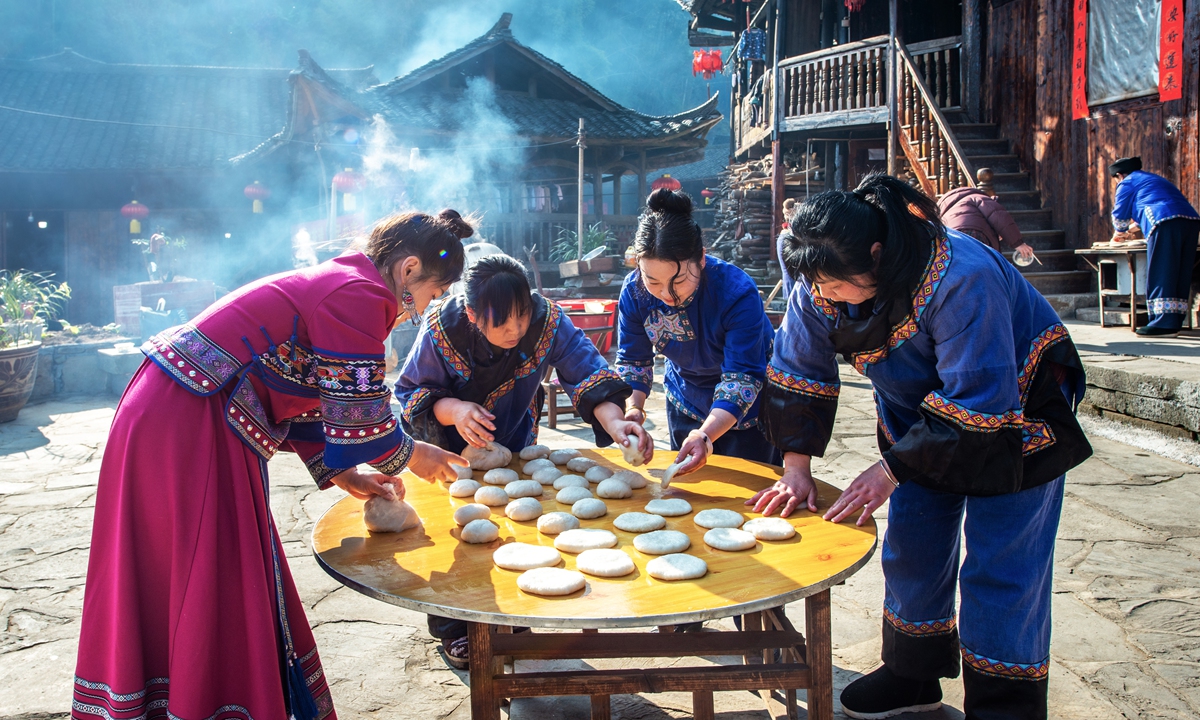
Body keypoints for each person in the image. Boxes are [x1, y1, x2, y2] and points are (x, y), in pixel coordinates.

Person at [72, 210, 472, 720]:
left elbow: (308, 390)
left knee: (188, 571)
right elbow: (361, 412)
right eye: (429, 295)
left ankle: (182, 699)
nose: (421, 309)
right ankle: (203, 702)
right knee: (213, 569)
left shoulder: (343, 282)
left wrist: (342, 471)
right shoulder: (360, 293)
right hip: (191, 421)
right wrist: (416, 454)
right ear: (408, 269)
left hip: (174, 409)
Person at [751, 175, 1092, 720]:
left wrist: (888, 470)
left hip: (1016, 412)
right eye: (818, 287)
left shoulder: (962, 275)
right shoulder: (820, 277)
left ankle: (1004, 704)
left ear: (878, 254)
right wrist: (795, 467)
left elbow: (980, 397)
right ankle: (912, 673)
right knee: (913, 544)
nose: (825, 298)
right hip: (917, 422)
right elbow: (798, 368)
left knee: (1002, 563)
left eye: (837, 287)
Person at [394, 253, 650, 668]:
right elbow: (411, 394)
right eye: (503, 321)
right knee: (457, 536)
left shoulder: (548, 320)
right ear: (474, 314)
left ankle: (510, 616)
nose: (516, 328)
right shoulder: (443, 324)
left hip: (513, 443)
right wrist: (456, 410)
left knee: (515, 528)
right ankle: (456, 628)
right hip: (446, 452)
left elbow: (585, 373)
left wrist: (619, 425)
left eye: (522, 314)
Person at [617, 188, 778, 480]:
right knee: (690, 494)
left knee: (749, 501)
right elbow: (633, 361)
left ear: (701, 259)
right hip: (685, 400)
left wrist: (705, 435)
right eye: (652, 281)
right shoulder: (634, 292)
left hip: (748, 411)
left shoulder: (736, 293)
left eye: (678, 280)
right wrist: (633, 410)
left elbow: (742, 376)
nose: (666, 294)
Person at [1109, 156, 1200, 336]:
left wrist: (1118, 234)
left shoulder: (1126, 183)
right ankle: (1174, 321)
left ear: (1119, 175)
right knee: (1181, 272)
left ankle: (1161, 323)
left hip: (1164, 223)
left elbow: (1120, 217)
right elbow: (1160, 207)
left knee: (1162, 269)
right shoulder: (1154, 180)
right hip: (1191, 222)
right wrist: (1131, 230)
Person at [936, 186, 1036, 262]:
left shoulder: (944, 209)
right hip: (974, 234)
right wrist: (1018, 243)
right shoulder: (977, 197)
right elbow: (998, 216)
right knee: (982, 271)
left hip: (951, 238)